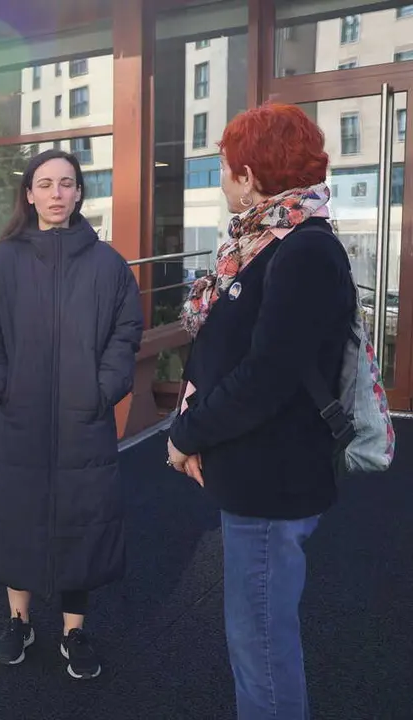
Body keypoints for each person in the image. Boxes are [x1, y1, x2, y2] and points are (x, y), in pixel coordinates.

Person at [167, 103, 355, 719]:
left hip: (274, 477)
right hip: (257, 467)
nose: (220, 181)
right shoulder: (262, 242)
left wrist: (187, 432)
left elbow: (265, 376)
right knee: (256, 633)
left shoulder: (303, 250)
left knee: (262, 645)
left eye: (224, 168)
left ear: (249, 175)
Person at [0, 148, 143, 680]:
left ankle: (74, 629)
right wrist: (4, 388)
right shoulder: (0, 263)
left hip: (82, 420)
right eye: (46, 184)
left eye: (67, 183)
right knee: (16, 519)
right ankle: (19, 621)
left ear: (80, 193)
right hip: (17, 420)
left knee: (80, 523)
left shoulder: (107, 264)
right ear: (29, 194)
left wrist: (102, 390)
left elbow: (125, 334)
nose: (57, 194)